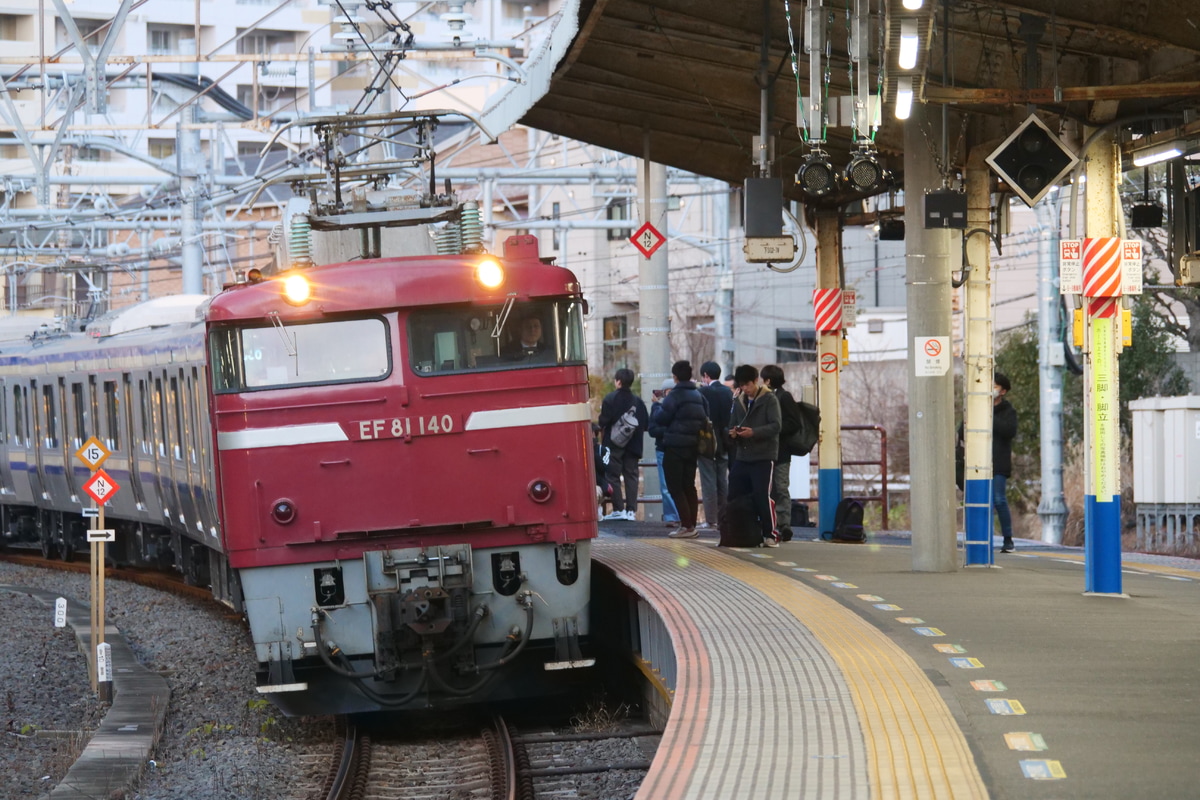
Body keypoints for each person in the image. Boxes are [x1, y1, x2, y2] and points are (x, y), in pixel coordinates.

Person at [649, 360, 708, 539]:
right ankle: (691, 524)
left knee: (675, 486)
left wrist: (656, 405)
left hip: (675, 446)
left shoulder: (675, 395)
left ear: (675, 377)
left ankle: (687, 526)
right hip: (693, 446)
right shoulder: (698, 396)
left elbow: (661, 418)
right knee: (689, 486)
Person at [727, 364, 782, 547]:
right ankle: (739, 530)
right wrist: (733, 433)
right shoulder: (739, 400)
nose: (745, 389)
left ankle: (770, 533)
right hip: (742, 455)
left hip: (764, 456)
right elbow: (732, 423)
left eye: (747, 385)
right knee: (735, 491)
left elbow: (776, 426)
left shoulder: (769, 399)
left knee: (762, 495)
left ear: (756, 381)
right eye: (741, 385)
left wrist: (754, 432)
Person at [597, 368, 648, 521]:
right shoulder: (638, 401)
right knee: (631, 476)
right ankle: (631, 511)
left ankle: (619, 509)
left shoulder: (610, 399)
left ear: (618, 381)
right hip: (634, 445)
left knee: (613, 476)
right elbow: (646, 424)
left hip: (614, 445)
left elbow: (603, 422)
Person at [761, 365, 800, 542]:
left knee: (780, 486)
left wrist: (775, 429)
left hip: (781, 450)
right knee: (774, 488)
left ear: (768, 380)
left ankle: (784, 524)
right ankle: (771, 523)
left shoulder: (784, 397)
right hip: (768, 451)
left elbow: (794, 422)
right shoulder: (764, 397)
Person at [697, 361, 733, 530]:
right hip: (725, 441)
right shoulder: (728, 392)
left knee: (708, 480)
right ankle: (724, 517)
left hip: (707, 442)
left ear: (706, 376)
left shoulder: (702, 392)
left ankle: (711, 519)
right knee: (722, 479)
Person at [649, 379, 682, 527]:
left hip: (673, 448)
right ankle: (672, 516)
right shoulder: (658, 408)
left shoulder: (679, 406)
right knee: (665, 485)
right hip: (665, 449)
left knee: (679, 484)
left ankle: (679, 515)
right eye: (666, 392)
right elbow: (652, 430)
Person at [993, 371, 1017, 553]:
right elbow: (962, 430)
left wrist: (989, 418)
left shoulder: (1008, 411)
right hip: (976, 463)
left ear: (1003, 391)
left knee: (999, 500)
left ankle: (1008, 539)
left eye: (994, 387)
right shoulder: (976, 406)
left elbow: (1009, 431)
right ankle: (978, 537)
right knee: (978, 500)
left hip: (999, 462)